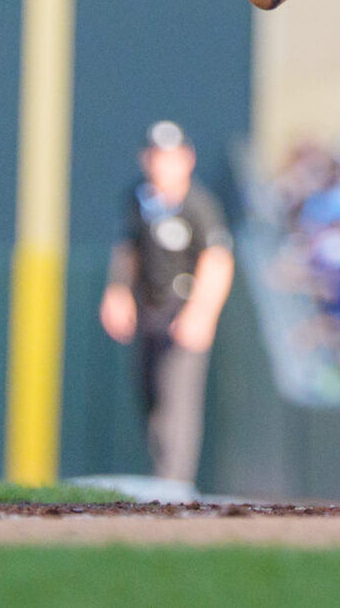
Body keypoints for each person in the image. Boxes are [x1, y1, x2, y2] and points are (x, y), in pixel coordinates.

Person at [98, 121, 233, 491]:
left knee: (179, 399)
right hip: (149, 312)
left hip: (182, 309)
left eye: (171, 157)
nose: (163, 165)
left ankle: (174, 483)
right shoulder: (138, 199)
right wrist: (117, 291)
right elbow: (128, 249)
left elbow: (218, 260)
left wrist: (201, 313)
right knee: (151, 397)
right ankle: (161, 476)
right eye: (157, 157)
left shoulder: (198, 204)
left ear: (187, 160)